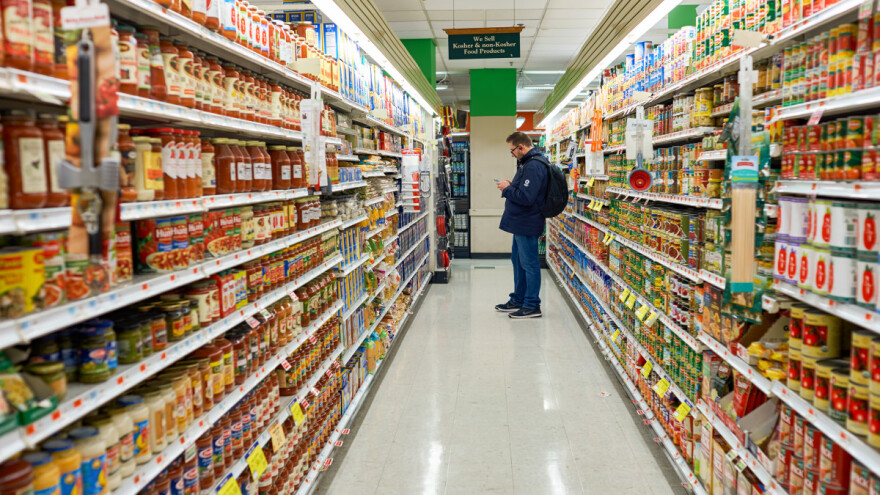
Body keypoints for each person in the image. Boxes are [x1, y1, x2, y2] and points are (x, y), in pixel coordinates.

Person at [495, 131, 548, 319]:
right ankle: (519, 299)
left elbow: (526, 198)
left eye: (512, 150)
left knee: (529, 264)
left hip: (527, 223)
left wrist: (507, 189)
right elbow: (526, 191)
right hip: (520, 223)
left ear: (521, 147)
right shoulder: (527, 164)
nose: (512, 154)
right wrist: (512, 185)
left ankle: (532, 305)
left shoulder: (533, 166)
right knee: (518, 262)